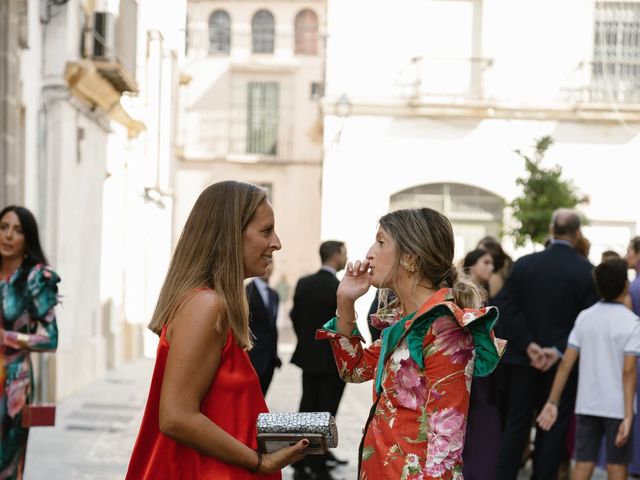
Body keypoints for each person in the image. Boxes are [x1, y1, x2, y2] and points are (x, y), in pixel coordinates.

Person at [126, 181, 308, 479]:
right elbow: (176, 416)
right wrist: (259, 461)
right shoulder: (206, 305)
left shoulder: (209, 302)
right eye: (266, 231)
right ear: (230, 235)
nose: (276, 243)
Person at [315, 208, 505, 479]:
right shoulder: (406, 322)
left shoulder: (443, 327)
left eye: (381, 242)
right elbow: (354, 369)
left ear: (411, 258)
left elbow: (446, 448)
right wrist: (345, 302)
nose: (369, 253)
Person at [497, 209, 599, 480]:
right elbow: (586, 321)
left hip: (522, 359)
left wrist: (529, 344)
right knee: (552, 427)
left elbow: (507, 308)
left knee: (516, 423)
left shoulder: (524, 264)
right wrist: (557, 349)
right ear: (577, 234)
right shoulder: (586, 272)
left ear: (552, 230)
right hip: (561, 365)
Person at [537, 259, 640, 480]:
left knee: (583, 463)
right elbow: (629, 371)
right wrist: (629, 415)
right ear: (625, 284)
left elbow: (566, 362)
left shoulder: (585, 317)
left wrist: (552, 401)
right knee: (617, 465)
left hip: (587, 403)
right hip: (618, 407)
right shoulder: (632, 323)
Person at [0, 205, 60, 478]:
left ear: (28, 238)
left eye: (18, 230)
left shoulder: (36, 278)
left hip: (13, 384)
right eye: (3, 228)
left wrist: (8, 337)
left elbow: (50, 339)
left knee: (7, 465)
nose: (8, 236)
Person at [290, 241, 348, 479]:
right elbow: (345, 324)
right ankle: (318, 462)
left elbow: (295, 316)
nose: (347, 257)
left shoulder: (304, 283)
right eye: (344, 253)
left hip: (308, 357)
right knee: (326, 412)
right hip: (332, 360)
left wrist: (306, 342)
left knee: (307, 408)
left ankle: (298, 457)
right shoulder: (340, 288)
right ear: (335, 255)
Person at [460, 248, 501, 480]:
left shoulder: (487, 293)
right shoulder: (464, 293)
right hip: (471, 370)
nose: (490, 268)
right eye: (486, 262)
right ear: (472, 265)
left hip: (484, 374)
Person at [246, 263, 281, 395]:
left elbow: (271, 327)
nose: (269, 267)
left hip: (270, 360)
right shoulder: (245, 292)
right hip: (252, 358)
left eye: (272, 263)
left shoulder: (274, 295)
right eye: (266, 261)